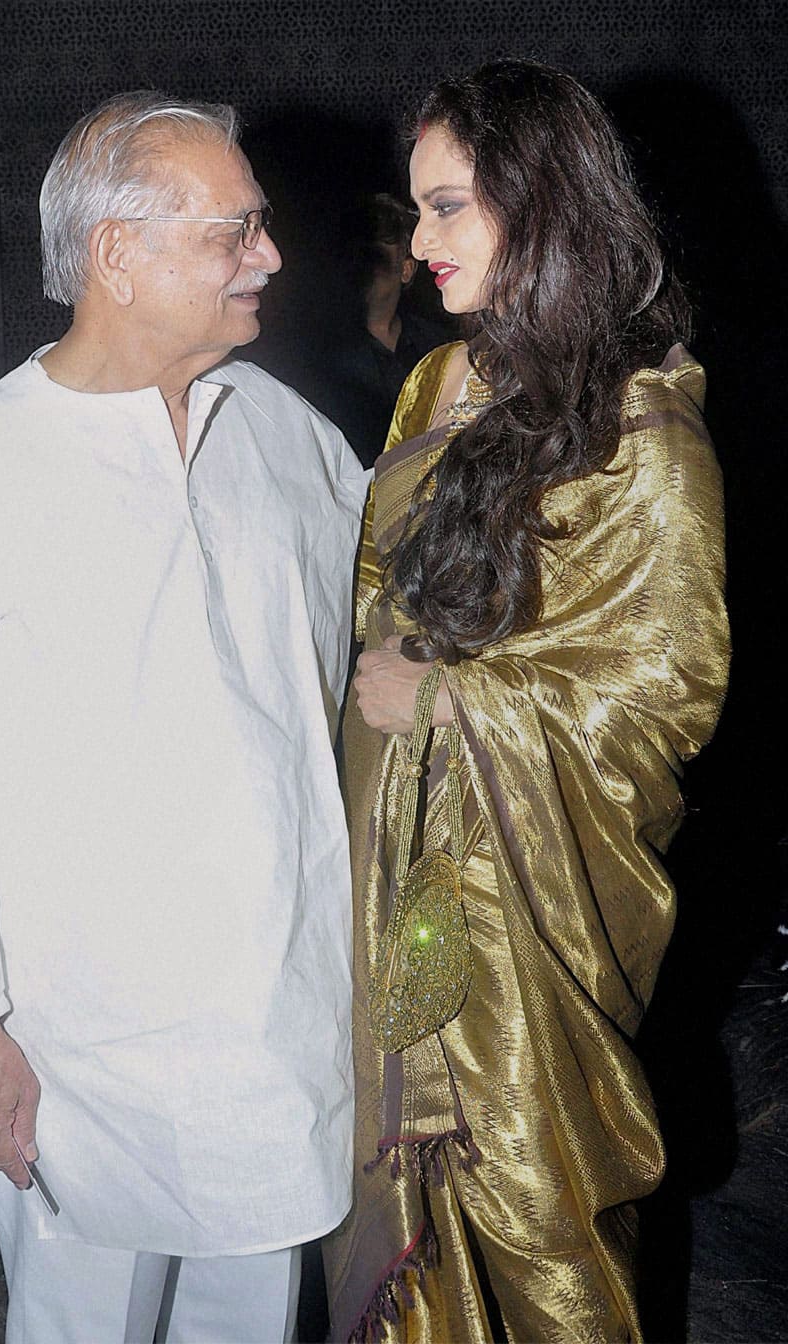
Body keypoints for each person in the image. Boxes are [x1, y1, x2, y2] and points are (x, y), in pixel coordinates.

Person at [0, 93, 368, 1343]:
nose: (271, 256)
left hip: (276, 1028)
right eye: (232, 231)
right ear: (117, 256)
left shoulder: (293, 442)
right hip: (84, 1050)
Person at [322, 60, 729, 1344]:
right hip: (385, 861)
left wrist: (455, 702)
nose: (420, 241)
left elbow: (664, 686)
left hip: (515, 905)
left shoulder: (644, 431)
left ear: (543, 206)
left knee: (521, 1188)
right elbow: (372, 570)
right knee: (398, 1182)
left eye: (448, 208)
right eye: (415, 211)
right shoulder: (436, 384)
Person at [315, 194, 451, 468]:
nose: (363, 265)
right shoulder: (318, 357)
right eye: (356, 252)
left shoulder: (441, 347)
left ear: (407, 269)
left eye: (376, 254)